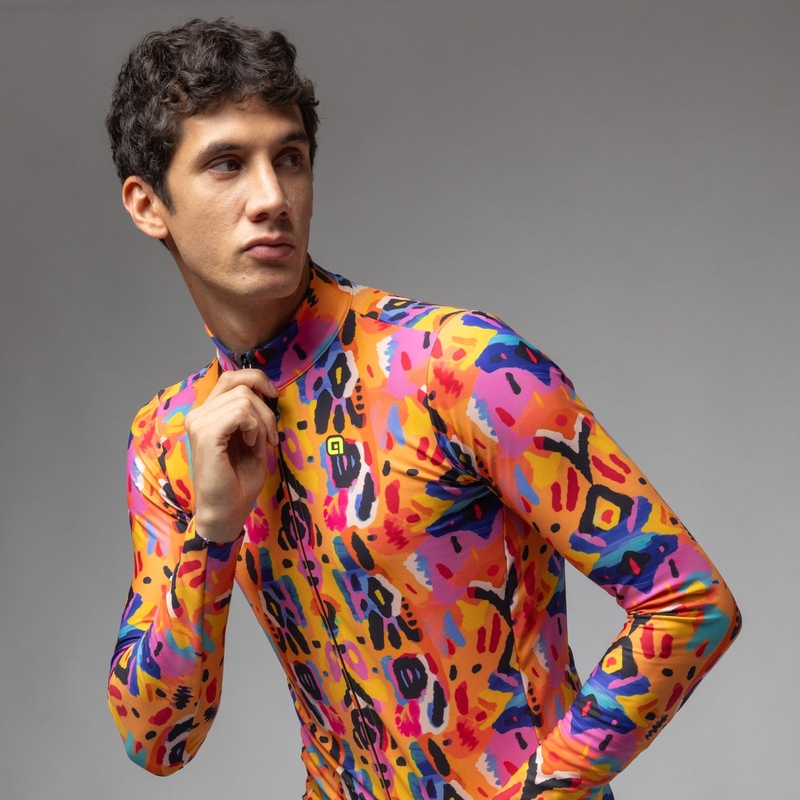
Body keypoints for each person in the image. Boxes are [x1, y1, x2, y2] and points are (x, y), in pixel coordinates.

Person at [106, 18, 740, 800]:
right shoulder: (169, 440)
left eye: (290, 158)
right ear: (148, 205)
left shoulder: (456, 367)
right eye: (227, 164)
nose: (271, 198)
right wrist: (211, 533)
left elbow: (688, 603)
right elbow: (155, 739)